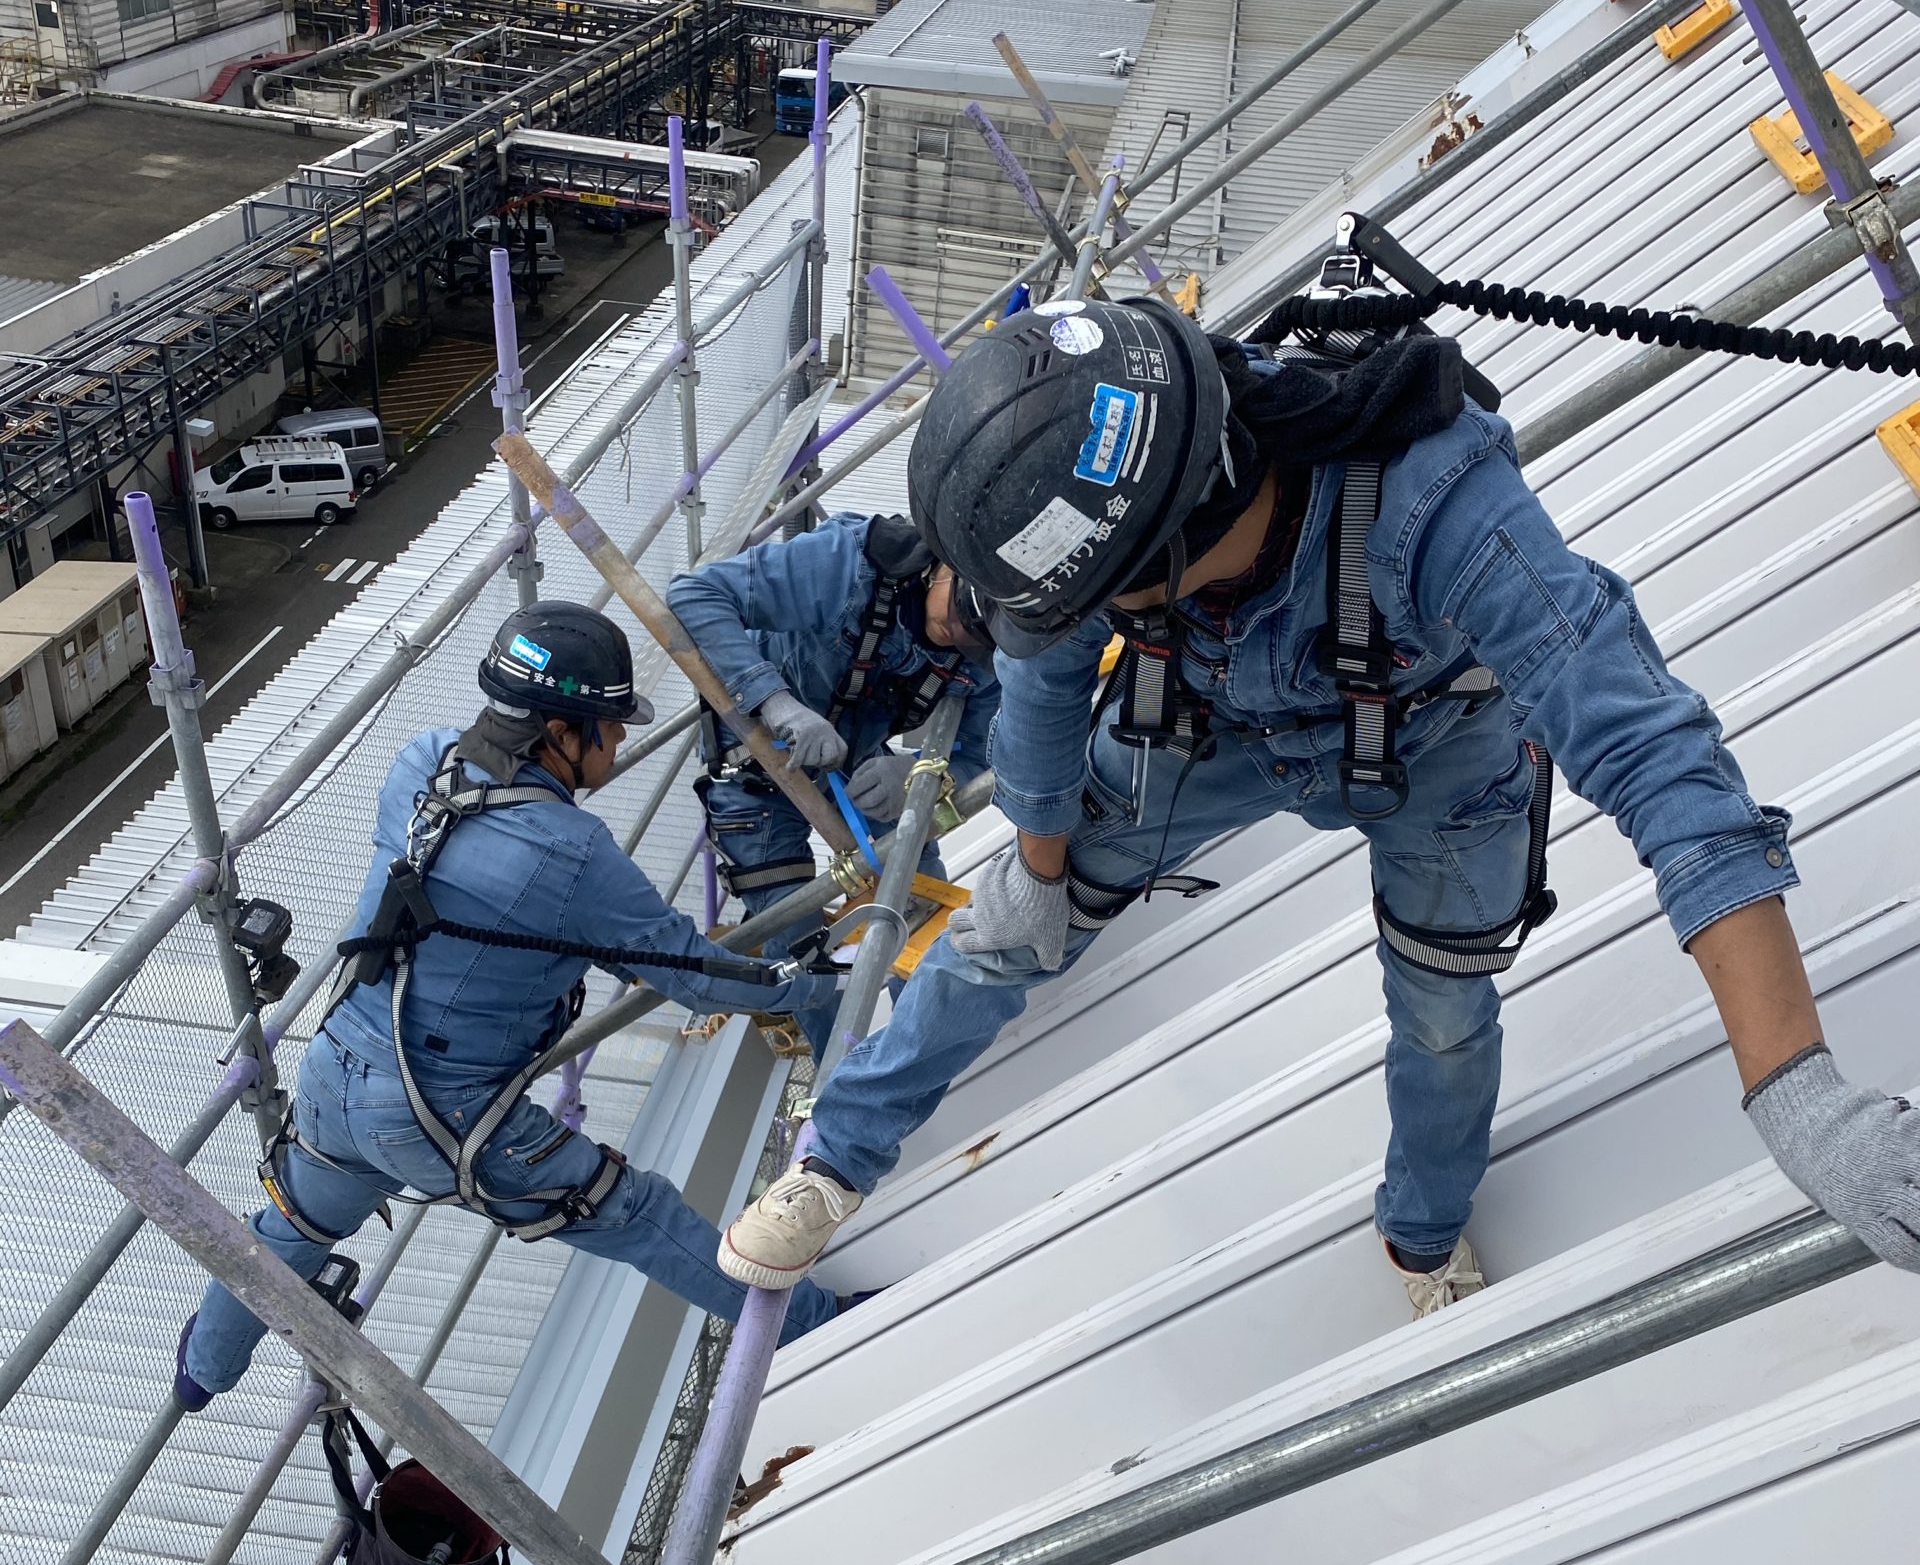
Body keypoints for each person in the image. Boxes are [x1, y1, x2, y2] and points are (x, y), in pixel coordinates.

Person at [716, 295, 1920, 1312]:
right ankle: (839, 1156)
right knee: (996, 936)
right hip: (1206, 728)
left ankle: (1422, 1227)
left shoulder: (1440, 511)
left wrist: (1799, 1091)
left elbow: (1657, 754)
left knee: (1444, 1008)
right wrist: (1038, 860)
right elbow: (1038, 670)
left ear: (1180, 542)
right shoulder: (1113, 505)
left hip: (1440, 746)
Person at [177, 600, 846, 1409]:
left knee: (289, 1233)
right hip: (445, 1116)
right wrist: (819, 982)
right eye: (609, 726)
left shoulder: (418, 765)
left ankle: (200, 1376)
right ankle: (821, 1326)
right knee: (634, 1211)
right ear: (562, 733)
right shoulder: (572, 853)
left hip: (333, 1078)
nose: (621, 742)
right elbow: (695, 977)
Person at [667, 512, 999, 1058]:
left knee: (921, 909)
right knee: (799, 948)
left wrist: (924, 776)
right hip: (758, 773)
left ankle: (915, 1057)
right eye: (959, 616)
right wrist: (777, 706)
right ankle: (835, 1082)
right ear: (943, 566)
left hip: (859, 765)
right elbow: (695, 596)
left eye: (976, 637)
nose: (957, 636)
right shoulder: (849, 565)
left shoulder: (992, 639)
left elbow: (985, 750)